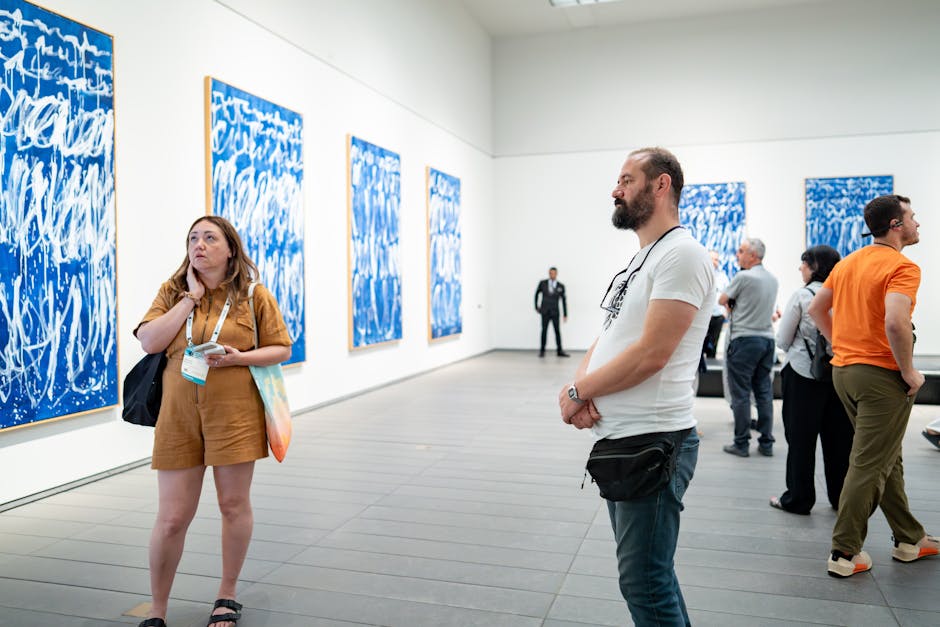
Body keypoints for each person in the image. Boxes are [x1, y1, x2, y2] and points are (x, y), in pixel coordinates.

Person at [558, 147, 711, 625]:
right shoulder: (644, 258)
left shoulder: (683, 255)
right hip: (626, 440)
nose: (615, 190)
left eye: (626, 179)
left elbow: (652, 353)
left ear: (661, 185)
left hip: (655, 443)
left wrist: (579, 394)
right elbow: (610, 334)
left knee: (644, 581)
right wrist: (582, 386)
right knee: (649, 577)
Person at [134, 216, 292, 627]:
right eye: (192, 238)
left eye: (209, 238)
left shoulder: (253, 295)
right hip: (178, 417)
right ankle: (157, 611)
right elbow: (150, 341)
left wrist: (239, 358)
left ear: (230, 249)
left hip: (235, 414)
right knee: (171, 518)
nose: (199, 245)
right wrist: (189, 298)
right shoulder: (172, 291)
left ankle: (227, 594)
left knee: (233, 505)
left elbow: (280, 348)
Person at [808, 194, 938, 578]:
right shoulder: (902, 267)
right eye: (913, 217)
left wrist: (840, 345)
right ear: (896, 225)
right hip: (881, 376)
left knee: (885, 457)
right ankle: (844, 552)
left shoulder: (849, 262)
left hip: (844, 372)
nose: (918, 223)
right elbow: (897, 323)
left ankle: (909, 539)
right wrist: (910, 371)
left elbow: (817, 309)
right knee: (868, 463)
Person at [770, 245, 853, 515]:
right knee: (839, 441)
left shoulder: (803, 296)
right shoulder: (845, 295)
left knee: (801, 440)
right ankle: (841, 498)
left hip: (803, 375)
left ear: (814, 266)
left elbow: (782, 340)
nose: (800, 268)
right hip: (839, 375)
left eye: (803, 263)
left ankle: (799, 498)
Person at [720, 238, 779, 457]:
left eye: (742, 251)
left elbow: (722, 299)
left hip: (744, 340)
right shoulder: (773, 279)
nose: (738, 254)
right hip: (767, 341)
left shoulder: (743, 277)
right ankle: (766, 443)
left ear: (753, 256)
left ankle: (741, 443)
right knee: (764, 392)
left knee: (741, 394)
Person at [534, 266, 569, 357]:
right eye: (550, 273)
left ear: (556, 274)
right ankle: (542, 350)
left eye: (554, 273)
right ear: (549, 273)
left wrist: (565, 314)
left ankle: (559, 350)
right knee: (544, 330)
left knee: (557, 331)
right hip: (545, 311)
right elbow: (537, 294)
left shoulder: (561, 286)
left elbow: (564, 301)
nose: (552, 275)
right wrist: (536, 306)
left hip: (555, 312)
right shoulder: (543, 283)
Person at [702, 250, 730, 358]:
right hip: (703, 315)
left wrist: (725, 314)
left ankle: (710, 373)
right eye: (712, 259)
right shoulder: (700, 274)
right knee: (700, 345)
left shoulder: (723, 277)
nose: (714, 261)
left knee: (713, 346)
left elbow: (728, 296)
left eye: (716, 259)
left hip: (718, 315)